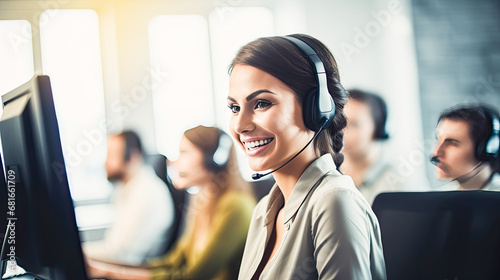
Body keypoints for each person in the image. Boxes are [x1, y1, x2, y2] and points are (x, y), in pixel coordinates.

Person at [227, 34, 386, 279]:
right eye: (234, 108)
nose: (240, 125)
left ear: (317, 108)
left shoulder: (334, 201)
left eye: (261, 104)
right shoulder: (264, 211)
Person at [87, 126, 256, 280]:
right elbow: (172, 262)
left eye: (184, 152)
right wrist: (105, 269)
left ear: (213, 159)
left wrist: (108, 272)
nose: (172, 161)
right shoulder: (203, 201)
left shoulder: (235, 206)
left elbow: (191, 276)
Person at [84, 131, 175, 266]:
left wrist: (73, 251)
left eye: (112, 155)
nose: (106, 162)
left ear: (132, 157)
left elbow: (119, 255)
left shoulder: (146, 191)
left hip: (135, 269)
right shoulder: (127, 187)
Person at [341, 89, 401, 203]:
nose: (343, 131)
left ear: (378, 129)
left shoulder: (399, 182)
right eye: (341, 122)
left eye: (354, 124)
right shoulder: (328, 176)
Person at [431, 105, 500, 190]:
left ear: (486, 150)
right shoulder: (439, 196)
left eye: (452, 143)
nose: (435, 153)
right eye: (438, 140)